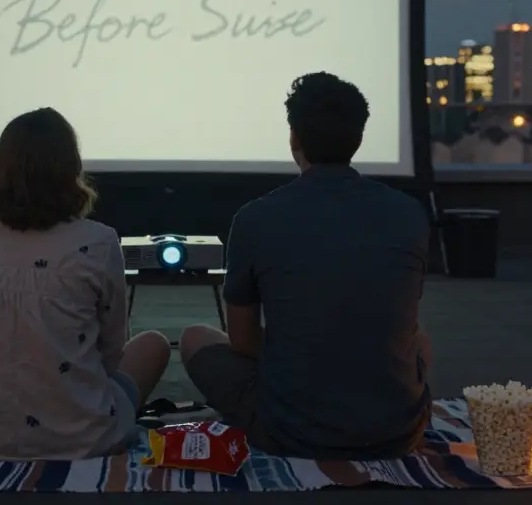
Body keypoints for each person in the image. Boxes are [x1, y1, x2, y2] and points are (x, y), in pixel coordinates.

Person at [180, 72, 433, 461]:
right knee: (417, 339)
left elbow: (244, 341)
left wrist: (302, 353)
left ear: (294, 137)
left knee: (196, 338)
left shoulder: (255, 219)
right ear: (359, 137)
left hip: (292, 431)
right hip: (397, 432)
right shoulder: (410, 214)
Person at [0, 107, 172, 461]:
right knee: (154, 344)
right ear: (70, 169)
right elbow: (111, 349)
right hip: (82, 437)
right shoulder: (99, 241)